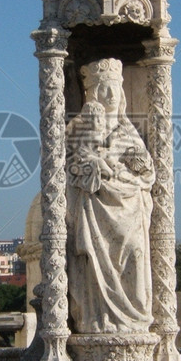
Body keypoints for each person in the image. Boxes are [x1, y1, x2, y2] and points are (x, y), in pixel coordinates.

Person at [66, 58, 154, 334]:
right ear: (92, 93)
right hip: (95, 211)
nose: (112, 95)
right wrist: (97, 167)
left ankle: (136, 317)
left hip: (130, 209)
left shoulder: (129, 131)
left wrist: (136, 170)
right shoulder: (79, 126)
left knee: (137, 255)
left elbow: (149, 175)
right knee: (93, 264)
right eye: (104, 88)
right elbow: (71, 166)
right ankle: (97, 318)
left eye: (116, 88)